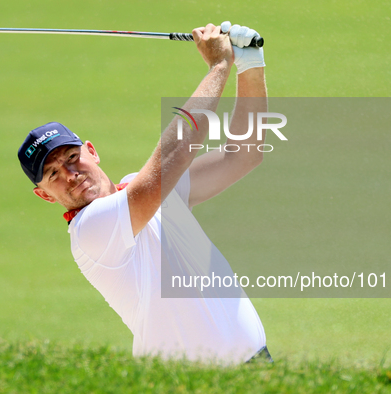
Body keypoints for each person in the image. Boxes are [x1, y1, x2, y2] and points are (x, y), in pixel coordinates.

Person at [18, 22, 272, 364]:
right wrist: (219, 66)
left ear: (91, 151)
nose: (70, 174)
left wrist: (250, 65)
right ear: (46, 195)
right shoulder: (90, 230)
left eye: (72, 157)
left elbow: (243, 155)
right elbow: (168, 163)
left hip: (258, 366)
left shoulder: (143, 188)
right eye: (52, 174)